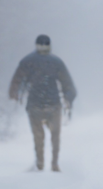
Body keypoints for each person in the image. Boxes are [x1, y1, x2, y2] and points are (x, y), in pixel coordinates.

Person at [9, 35, 77, 172]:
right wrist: (68, 97)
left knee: (38, 136)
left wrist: (15, 94)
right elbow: (67, 83)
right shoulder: (56, 62)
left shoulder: (27, 61)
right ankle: (54, 164)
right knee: (55, 136)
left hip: (35, 104)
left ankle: (40, 164)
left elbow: (17, 80)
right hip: (53, 104)